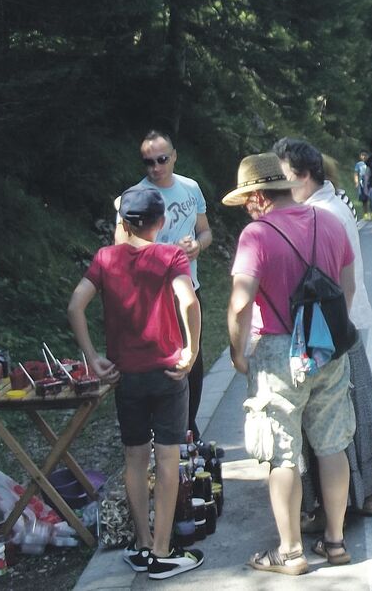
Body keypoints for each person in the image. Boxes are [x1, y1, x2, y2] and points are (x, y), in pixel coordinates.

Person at [225, 153, 356, 575]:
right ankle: (335, 542)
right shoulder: (330, 222)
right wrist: (327, 337)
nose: (248, 208)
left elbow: (241, 301)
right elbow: (347, 287)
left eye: (248, 200)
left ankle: (291, 552)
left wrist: (237, 352)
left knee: (282, 453)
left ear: (260, 196)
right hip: (327, 346)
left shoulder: (256, 235)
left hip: (279, 350)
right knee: (333, 444)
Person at [272, 139, 372, 526]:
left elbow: (324, 279)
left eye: (284, 178)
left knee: (337, 421)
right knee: (355, 414)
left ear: (303, 175)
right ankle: (363, 495)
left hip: (329, 328)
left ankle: (346, 500)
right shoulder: (334, 203)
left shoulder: (319, 213)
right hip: (342, 322)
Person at [68, 185, 203, 580]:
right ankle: (163, 551)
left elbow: (76, 304)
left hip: (125, 376)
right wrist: (191, 351)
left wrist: (93, 358)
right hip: (167, 373)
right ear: (160, 223)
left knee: (133, 457)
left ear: (123, 224)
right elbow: (189, 301)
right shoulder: (170, 255)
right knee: (166, 458)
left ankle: (142, 543)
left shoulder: (105, 258)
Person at [115, 131, 212, 444]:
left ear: (174, 156)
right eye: (148, 162)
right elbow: (121, 247)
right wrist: (160, 253)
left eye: (161, 159)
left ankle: (189, 428)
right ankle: (164, 435)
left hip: (188, 286)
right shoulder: (134, 197)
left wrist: (197, 245)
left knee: (193, 360)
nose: (155, 167)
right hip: (153, 296)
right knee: (162, 365)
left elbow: (206, 231)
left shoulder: (190, 187)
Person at [353, 150, 371, 219]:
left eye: (365, 155)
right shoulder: (358, 164)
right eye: (362, 155)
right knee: (364, 200)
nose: (364, 157)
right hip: (362, 184)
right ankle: (366, 214)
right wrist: (356, 182)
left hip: (370, 183)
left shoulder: (370, 163)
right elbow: (356, 174)